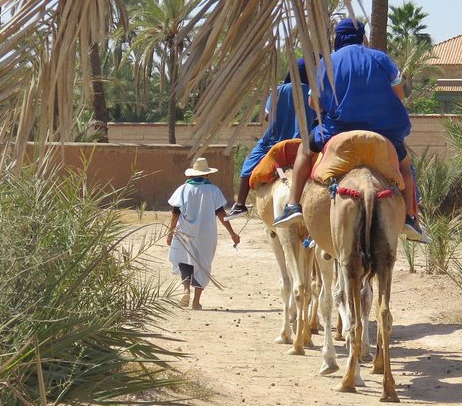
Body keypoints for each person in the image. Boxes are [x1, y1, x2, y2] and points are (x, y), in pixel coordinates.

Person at [273, 18, 430, 243]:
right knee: (405, 166)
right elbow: (400, 94)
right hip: (384, 132)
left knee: (305, 151)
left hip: (337, 131)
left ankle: (293, 204)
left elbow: (313, 105)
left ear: (338, 38)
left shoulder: (326, 63)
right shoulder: (382, 58)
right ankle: (410, 218)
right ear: (362, 36)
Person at [225, 58, 317, 221]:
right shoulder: (313, 92)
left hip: (274, 143)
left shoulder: (279, 91)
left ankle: (240, 204)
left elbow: (268, 117)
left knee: (248, 165)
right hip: (304, 143)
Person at [167, 157, 241, 309]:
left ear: (192, 174)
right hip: (206, 234)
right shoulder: (213, 190)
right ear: (207, 175)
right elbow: (221, 214)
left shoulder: (183, 189)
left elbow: (175, 212)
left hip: (185, 231)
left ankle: (186, 290)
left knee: (184, 259)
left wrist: (170, 232)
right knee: (203, 264)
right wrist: (232, 233)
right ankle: (196, 301)